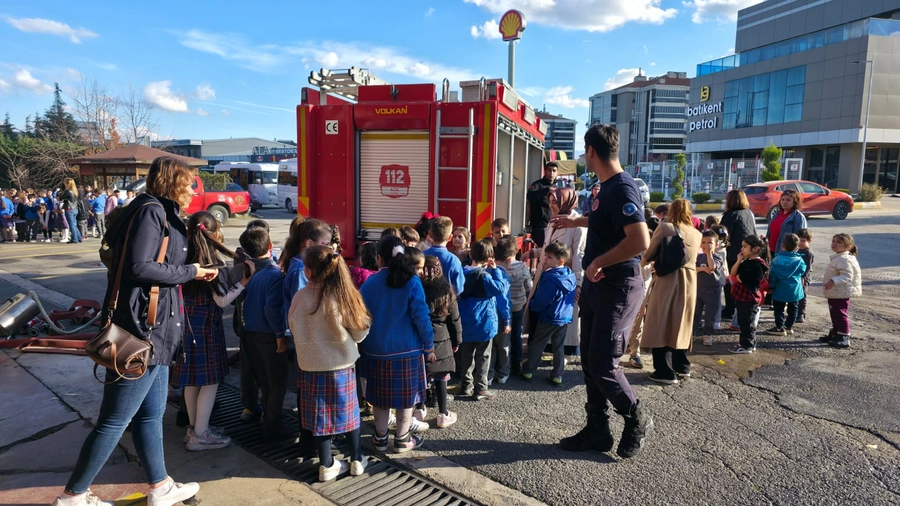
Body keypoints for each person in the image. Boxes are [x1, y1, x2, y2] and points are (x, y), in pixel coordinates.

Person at [54, 156, 219, 506]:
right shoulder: (151, 212)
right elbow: (140, 267)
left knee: (150, 415)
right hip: (139, 334)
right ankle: (73, 497)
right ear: (173, 181)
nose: (193, 189)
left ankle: (160, 487)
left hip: (154, 335)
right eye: (189, 182)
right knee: (114, 421)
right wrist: (190, 271)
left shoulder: (160, 211)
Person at [550, 124, 652, 459]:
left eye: (584, 151)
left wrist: (599, 263)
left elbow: (640, 240)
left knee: (603, 363)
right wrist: (574, 222)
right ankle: (597, 429)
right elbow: (604, 221)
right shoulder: (605, 187)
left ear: (591, 151)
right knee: (591, 364)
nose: (583, 156)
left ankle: (637, 417)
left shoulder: (623, 188)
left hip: (617, 287)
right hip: (598, 286)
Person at [288, 245, 371, 481]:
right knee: (350, 413)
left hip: (310, 365)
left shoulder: (300, 296)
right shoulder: (342, 296)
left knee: (319, 417)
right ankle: (356, 460)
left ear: (308, 271)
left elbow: (293, 325)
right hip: (341, 364)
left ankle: (326, 465)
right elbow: (360, 329)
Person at [175, 212, 255, 452]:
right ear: (215, 234)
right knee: (209, 383)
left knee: (191, 382)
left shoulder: (182, 259)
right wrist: (243, 283)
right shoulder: (214, 265)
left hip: (186, 327)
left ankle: (195, 428)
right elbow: (221, 301)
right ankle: (201, 434)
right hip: (206, 331)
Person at [359, 236, 435, 453]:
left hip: (375, 350)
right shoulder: (412, 281)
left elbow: (361, 318)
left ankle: (380, 438)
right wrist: (429, 345)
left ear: (378, 257)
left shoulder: (369, 283)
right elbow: (422, 317)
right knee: (406, 399)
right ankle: (402, 439)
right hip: (407, 351)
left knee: (380, 399)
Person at [641, 198, 702, 385]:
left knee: (662, 319)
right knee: (682, 320)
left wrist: (643, 263)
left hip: (669, 278)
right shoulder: (696, 233)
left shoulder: (666, 227)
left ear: (672, 210)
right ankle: (682, 365)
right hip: (690, 279)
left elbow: (649, 252)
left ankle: (664, 370)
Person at [241, 226, 290, 440]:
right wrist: (280, 334)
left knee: (265, 380)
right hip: (268, 336)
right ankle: (273, 425)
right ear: (271, 247)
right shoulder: (275, 275)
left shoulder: (253, 275)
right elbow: (271, 309)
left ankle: (266, 417)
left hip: (250, 333)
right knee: (277, 382)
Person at [524, 187, 586, 357]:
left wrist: (578, 283)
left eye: (555, 202)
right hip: (546, 275)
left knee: (559, 318)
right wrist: (533, 253)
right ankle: (541, 349)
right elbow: (548, 246)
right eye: (550, 202)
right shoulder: (553, 221)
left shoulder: (578, 224)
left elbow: (580, 255)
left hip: (564, 279)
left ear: (566, 201)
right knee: (543, 311)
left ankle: (562, 355)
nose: (551, 205)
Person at [457, 238, 509, 401]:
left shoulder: (461, 273)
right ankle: (480, 388)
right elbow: (500, 289)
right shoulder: (485, 277)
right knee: (483, 356)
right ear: (489, 258)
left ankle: (466, 385)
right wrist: (497, 271)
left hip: (465, 321)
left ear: (471, 254)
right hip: (484, 323)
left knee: (466, 355)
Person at [521, 242, 576, 387]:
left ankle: (528, 370)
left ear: (560, 261)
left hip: (549, 317)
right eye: (545, 255)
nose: (545, 259)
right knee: (559, 346)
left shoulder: (550, 277)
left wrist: (533, 306)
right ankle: (557, 374)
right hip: (564, 317)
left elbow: (543, 298)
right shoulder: (570, 275)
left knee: (537, 343)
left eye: (549, 257)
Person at [420, 255, 461, 428]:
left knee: (422, 375)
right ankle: (443, 414)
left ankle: (419, 408)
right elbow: (455, 319)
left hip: (420, 336)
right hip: (442, 337)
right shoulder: (447, 290)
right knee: (441, 376)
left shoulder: (417, 286)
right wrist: (457, 340)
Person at [493, 236, 531, 378]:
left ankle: (501, 365)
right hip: (518, 306)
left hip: (501, 309)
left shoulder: (496, 269)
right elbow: (528, 285)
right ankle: (516, 363)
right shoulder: (522, 267)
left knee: (502, 337)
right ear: (516, 251)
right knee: (517, 335)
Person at [728, 235, 770, 354]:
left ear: (755, 249)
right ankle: (748, 343)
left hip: (749, 298)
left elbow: (744, 278)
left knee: (748, 323)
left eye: (745, 246)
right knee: (743, 321)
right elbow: (733, 273)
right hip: (743, 297)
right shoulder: (747, 261)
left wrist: (738, 277)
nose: (742, 249)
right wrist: (738, 261)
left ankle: (747, 346)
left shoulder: (757, 264)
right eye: (742, 246)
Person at [820, 233, 862, 349]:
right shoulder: (840, 257)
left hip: (840, 292)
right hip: (836, 292)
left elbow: (847, 276)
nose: (834, 244)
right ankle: (836, 333)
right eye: (833, 241)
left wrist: (833, 280)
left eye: (839, 242)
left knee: (840, 314)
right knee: (835, 313)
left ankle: (844, 337)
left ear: (848, 246)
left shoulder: (844, 259)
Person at [720, 190, 757, 320]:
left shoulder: (730, 215)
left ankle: (730, 308)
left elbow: (724, 235)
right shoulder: (748, 213)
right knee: (742, 281)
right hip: (748, 251)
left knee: (731, 280)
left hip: (733, 253)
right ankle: (738, 308)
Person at [766, 233, 806, 337]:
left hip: (780, 288)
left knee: (779, 309)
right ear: (796, 247)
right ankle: (789, 326)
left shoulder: (776, 260)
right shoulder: (799, 260)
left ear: (782, 245)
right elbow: (802, 271)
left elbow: (773, 276)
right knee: (793, 308)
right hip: (794, 289)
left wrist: (771, 287)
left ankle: (779, 327)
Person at [695, 231, 726, 346]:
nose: (706, 245)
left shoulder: (718, 256)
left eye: (709, 243)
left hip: (713, 290)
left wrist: (709, 254)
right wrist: (703, 269)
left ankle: (707, 334)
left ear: (716, 245)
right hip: (698, 289)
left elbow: (712, 267)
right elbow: (693, 268)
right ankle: (691, 333)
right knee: (695, 313)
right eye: (703, 242)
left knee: (710, 314)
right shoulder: (698, 257)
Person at [423, 216, 465, 295]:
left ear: (430, 235)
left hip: (424, 302)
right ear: (450, 237)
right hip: (445, 303)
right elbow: (458, 288)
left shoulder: (421, 256)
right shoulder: (454, 260)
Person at [526, 161, 559, 248]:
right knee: (544, 251)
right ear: (545, 171)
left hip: (552, 225)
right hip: (540, 226)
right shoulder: (537, 185)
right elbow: (530, 196)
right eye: (549, 170)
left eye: (554, 171)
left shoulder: (556, 187)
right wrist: (547, 190)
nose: (551, 173)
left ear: (557, 173)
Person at [766, 189, 807, 256]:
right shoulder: (777, 214)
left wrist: (793, 254)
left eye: (788, 200)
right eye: (783, 199)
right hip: (770, 250)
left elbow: (800, 239)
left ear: (795, 202)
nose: (784, 202)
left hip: (785, 253)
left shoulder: (798, 217)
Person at [795, 228, 814, 324]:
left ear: (809, 241)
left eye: (803, 241)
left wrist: (802, 277)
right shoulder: (798, 250)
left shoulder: (808, 253)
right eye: (799, 240)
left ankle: (801, 313)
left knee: (802, 295)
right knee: (796, 295)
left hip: (804, 278)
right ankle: (796, 311)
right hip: (797, 276)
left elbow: (807, 267)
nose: (800, 243)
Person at [59, 178, 82, 244]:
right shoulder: (75, 190)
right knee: (74, 224)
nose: (64, 184)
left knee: (71, 225)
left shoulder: (68, 191)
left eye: (65, 183)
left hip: (69, 209)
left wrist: (62, 194)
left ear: (67, 184)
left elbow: (61, 198)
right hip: (75, 208)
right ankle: (79, 237)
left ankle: (74, 239)